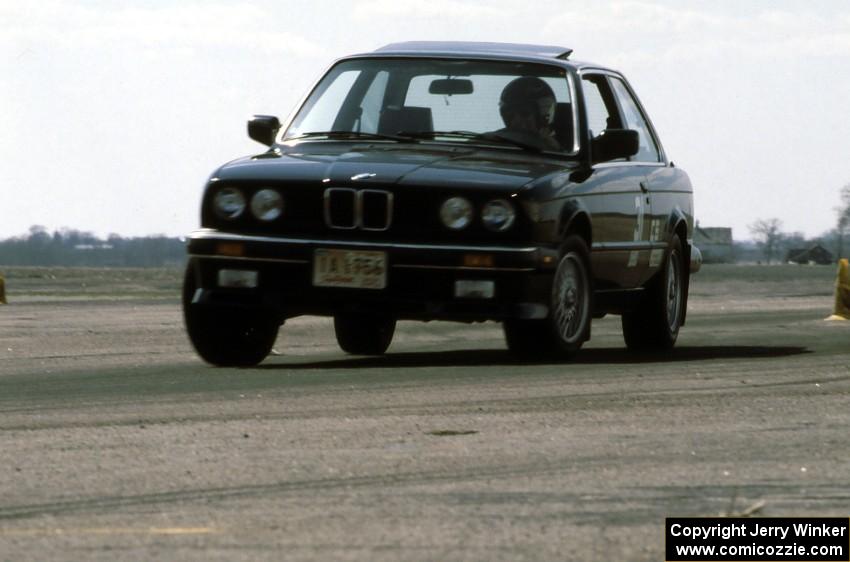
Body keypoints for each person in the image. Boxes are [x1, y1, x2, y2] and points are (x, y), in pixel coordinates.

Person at [496, 76, 560, 151]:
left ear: (543, 117)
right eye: (510, 116)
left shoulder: (554, 150)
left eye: (524, 114)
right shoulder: (495, 142)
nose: (515, 121)